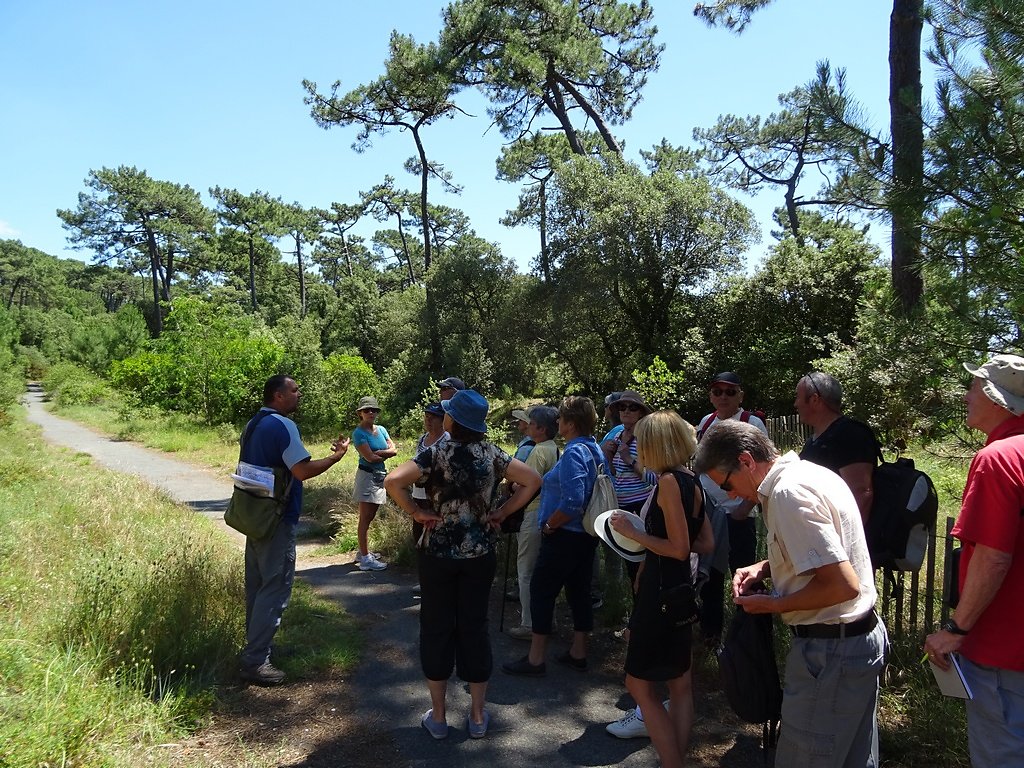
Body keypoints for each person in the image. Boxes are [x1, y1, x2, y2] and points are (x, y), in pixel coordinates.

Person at [694, 420, 886, 768]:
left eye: (727, 483)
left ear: (747, 461)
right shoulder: (810, 473)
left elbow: (843, 584)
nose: (732, 495)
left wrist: (775, 604)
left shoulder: (787, 494)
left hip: (830, 655)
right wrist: (766, 567)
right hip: (855, 642)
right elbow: (828, 549)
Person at [384, 389, 541, 740]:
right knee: (474, 626)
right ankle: (478, 715)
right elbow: (533, 480)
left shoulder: (435, 453)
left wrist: (417, 512)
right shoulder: (492, 454)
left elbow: (392, 481)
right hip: (479, 553)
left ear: (452, 420)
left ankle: (438, 718)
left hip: (437, 553)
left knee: (437, 627)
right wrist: (500, 512)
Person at [924, 353, 1024, 767]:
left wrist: (956, 629)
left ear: (995, 397)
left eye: (973, 387)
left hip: (1001, 651)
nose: (965, 396)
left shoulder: (999, 459)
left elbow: (993, 557)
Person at [603, 411, 714, 767]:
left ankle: (672, 762)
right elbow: (706, 542)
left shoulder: (668, 482)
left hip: (661, 593)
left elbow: (679, 548)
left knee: (639, 685)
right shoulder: (691, 480)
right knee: (680, 686)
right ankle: (673, 760)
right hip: (681, 588)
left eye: (642, 441)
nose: (638, 448)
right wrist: (659, 545)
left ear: (655, 444)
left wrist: (636, 534)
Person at [239, 375, 351, 686]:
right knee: (274, 588)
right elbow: (301, 470)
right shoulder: (283, 425)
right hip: (276, 518)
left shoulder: (253, 424)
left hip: (254, 515)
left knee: (258, 586)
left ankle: (258, 649)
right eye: (294, 390)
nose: (299, 394)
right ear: (278, 395)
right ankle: (256, 661)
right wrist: (335, 457)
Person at [502, 395, 610, 677]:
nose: (557, 422)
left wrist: (550, 525)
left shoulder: (574, 452)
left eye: (561, 418)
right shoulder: (594, 449)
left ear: (571, 424)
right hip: (587, 536)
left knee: (541, 590)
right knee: (579, 592)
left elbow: (573, 501)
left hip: (564, 536)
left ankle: (536, 659)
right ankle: (578, 652)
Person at [694, 372, 768, 648]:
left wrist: (746, 507)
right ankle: (710, 633)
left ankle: (746, 638)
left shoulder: (751, 422)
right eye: (717, 391)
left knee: (743, 573)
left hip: (739, 512)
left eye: (729, 391)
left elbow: (762, 469)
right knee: (711, 574)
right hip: (710, 511)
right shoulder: (707, 422)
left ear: (740, 395)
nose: (723, 397)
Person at [596, 390, 654, 611]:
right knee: (628, 560)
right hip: (620, 504)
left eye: (633, 407)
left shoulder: (646, 437)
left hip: (640, 505)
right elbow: (613, 473)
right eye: (622, 407)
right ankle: (632, 612)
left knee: (639, 564)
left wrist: (628, 457)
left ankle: (641, 615)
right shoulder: (618, 434)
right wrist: (609, 458)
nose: (627, 411)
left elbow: (654, 476)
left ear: (641, 412)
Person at [796, 371, 879, 523]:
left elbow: (861, 493)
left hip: (841, 539)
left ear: (814, 400)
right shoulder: (813, 441)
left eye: (798, 397)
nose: (796, 404)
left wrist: (844, 540)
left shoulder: (851, 435)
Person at [508, 406, 561, 640]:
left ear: (541, 428)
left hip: (532, 513)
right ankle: (549, 619)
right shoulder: (554, 449)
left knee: (526, 571)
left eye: (531, 424)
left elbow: (526, 484)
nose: (527, 427)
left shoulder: (539, 451)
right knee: (543, 571)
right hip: (546, 513)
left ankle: (529, 624)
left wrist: (510, 487)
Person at [351, 395, 397, 571]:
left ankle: (363, 551)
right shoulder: (358, 433)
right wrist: (384, 452)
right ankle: (365, 558)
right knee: (365, 517)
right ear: (360, 413)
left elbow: (394, 450)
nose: (370, 412)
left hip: (379, 476)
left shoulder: (382, 429)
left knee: (371, 515)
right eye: (366, 410)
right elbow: (369, 457)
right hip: (367, 476)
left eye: (373, 410)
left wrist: (379, 452)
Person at [410, 403, 449, 595]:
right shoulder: (422, 439)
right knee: (419, 538)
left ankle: (438, 583)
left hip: (435, 498)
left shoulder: (447, 440)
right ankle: (425, 580)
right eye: (426, 416)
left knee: (435, 539)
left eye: (433, 417)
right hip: (418, 496)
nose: (429, 420)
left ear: (443, 420)